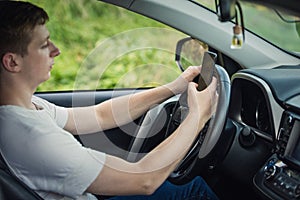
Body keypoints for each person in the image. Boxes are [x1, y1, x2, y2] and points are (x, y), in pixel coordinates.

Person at [0, 1, 219, 200]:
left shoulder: (26, 108)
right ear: (12, 62)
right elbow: (144, 181)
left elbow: (100, 115)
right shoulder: (35, 138)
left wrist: (173, 88)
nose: (56, 51)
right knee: (193, 190)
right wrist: (198, 115)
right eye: (44, 44)